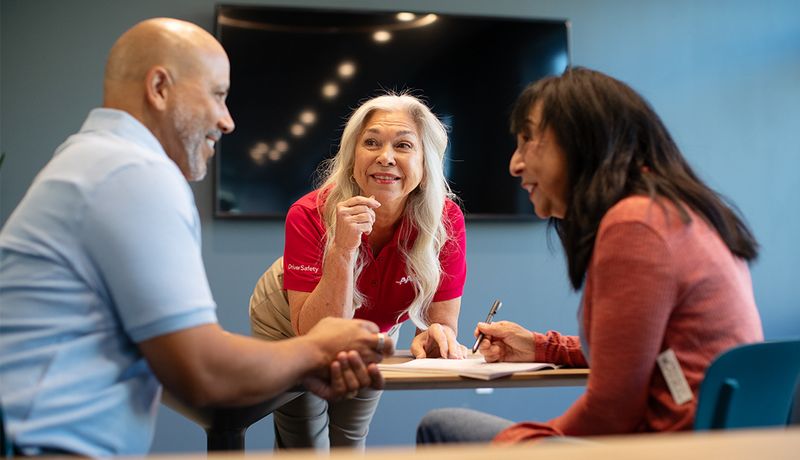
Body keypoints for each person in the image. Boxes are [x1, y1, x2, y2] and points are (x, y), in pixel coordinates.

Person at [0, 18, 393, 457]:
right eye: (218, 95)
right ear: (159, 88)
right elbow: (204, 372)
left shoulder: (95, 159)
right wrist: (317, 349)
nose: (227, 121)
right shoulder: (134, 172)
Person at [416, 67, 763, 444]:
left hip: (668, 446)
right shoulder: (679, 211)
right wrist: (542, 346)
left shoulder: (636, 225)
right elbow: (635, 355)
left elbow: (611, 411)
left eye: (528, 140)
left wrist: (514, 443)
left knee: (441, 426)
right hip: (711, 441)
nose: (514, 164)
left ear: (582, 141)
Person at [249, 93, 468, 450]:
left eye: (403, 145)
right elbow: (314, 333)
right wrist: (343, 248)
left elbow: (440, 323)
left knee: (350, 436)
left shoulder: (446, 220)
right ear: (352, 158)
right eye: (371, 143)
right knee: (305, 441)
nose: (385, 157)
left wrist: (434, 336)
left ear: (426, 163)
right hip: (289, 319)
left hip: (372, 324)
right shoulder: (307, 214)